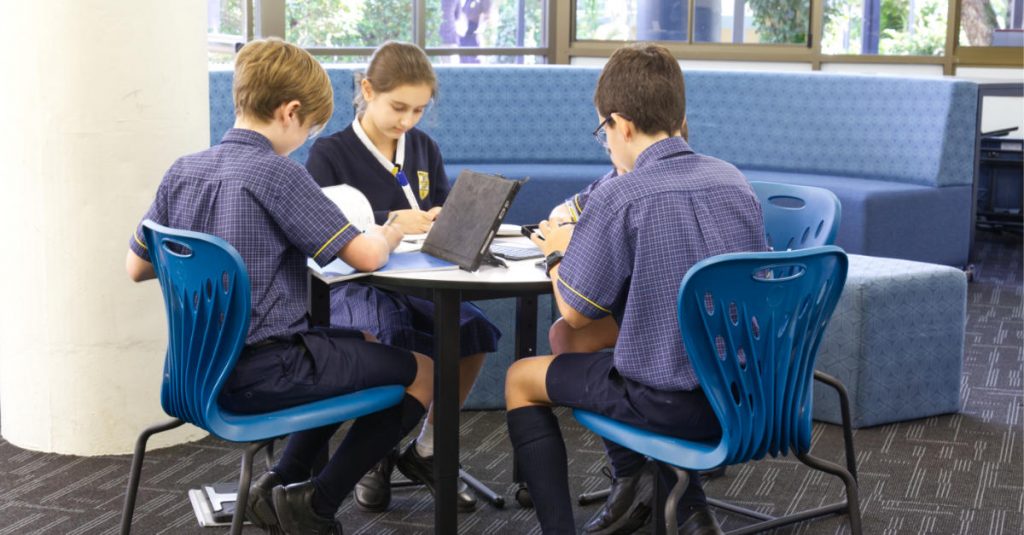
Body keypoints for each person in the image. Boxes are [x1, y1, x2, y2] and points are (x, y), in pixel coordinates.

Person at [125, 38, 434, 535]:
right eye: (310, 128)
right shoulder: (277, 175)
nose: (308, 139)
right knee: (421, 371)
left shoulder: (182, 170)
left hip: (193, 375)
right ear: (290, 112)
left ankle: (281, 483)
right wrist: (394, 227)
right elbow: (368, 254)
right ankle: (316, 503)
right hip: (266, 374)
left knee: (366, 345)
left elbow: (135, 267)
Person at [504, 43, 768, 535]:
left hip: (676, 406)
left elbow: (577, 308)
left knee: (521, 377)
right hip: (751, 393)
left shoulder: (623, 196)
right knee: (572, 342)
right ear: (677, 114)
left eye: (604, 131)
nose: (606, 141)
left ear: (620, 124)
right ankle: (666, 496)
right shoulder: (733, 180)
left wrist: (558, 251)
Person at [305, 41, 499, 513]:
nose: (407, 120)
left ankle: (429, 449)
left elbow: (444, 209)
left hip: (419, 279)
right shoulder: (329, 154)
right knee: (391, 337)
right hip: (354, 284)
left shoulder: (424, 147)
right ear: (367, 90)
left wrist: (444, 220)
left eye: (418, 110)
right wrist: (392, 221)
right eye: (398, 107)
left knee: (472, 332)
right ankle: (375, 456)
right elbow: (322, 230)